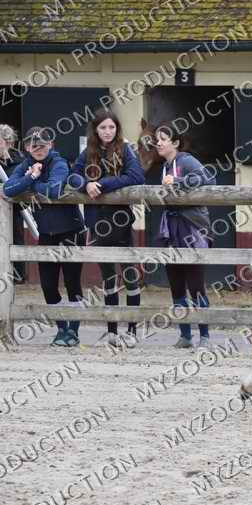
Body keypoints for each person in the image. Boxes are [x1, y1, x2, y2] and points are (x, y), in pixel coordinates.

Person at [67, 109, 145, 349]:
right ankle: (111, 332)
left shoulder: (125, 149)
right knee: (108, 278)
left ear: (117, 129)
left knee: (130, 275)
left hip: (121, 221)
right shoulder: (88, 151)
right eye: (103, 128)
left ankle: (131, 331)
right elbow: (72, 176)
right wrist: (86, 185)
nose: (108, 132)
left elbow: (136, 176)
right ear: (96, 130)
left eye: (111, 127)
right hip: (97, 222)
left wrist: (102, 184)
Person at [4, 127, 85, 347]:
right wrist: (30, 175)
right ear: (27, 147)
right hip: (46, 233)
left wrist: (32, 183)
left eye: (42, 144)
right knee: (48, 285)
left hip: (70, 231)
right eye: (33, 145)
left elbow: (54, 190)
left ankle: (74, 331)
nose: (38, 148)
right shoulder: (26, 165)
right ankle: (62, 329)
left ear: (51, 145)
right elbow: (8, 188)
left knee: (72, 284)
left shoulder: (59, 163)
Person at [153, 122, 215, 349]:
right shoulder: (164, 166)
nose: (158, 143)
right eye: (157, 139)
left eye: (163, 139)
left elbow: (208, 179)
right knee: (176, 283)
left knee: (196, 284)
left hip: (191, 228)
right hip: (171, 227)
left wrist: (178, 181)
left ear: (176, 143)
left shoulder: (186, 161)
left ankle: (205, 335)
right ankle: (185, 334)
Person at [0, 124, 27, 283]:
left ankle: (15, 277)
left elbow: (19, 186)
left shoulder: (19, 162)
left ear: (8, 142)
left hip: (12, 215)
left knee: (13, 242)